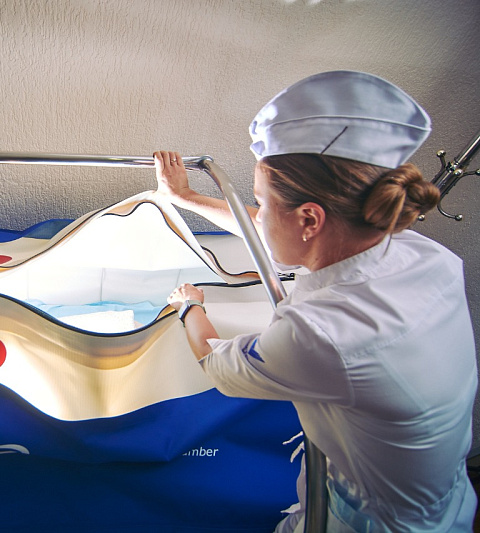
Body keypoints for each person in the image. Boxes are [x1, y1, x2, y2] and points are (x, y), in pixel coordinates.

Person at [154, 71, 477, 532]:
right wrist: (186, 197)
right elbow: (271, 229)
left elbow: (215, 361)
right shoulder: (421, 253)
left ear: (310, 219)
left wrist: (190, 305)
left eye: (263, 201)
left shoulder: (321, 335)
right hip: (444, 498)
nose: (259, 213)